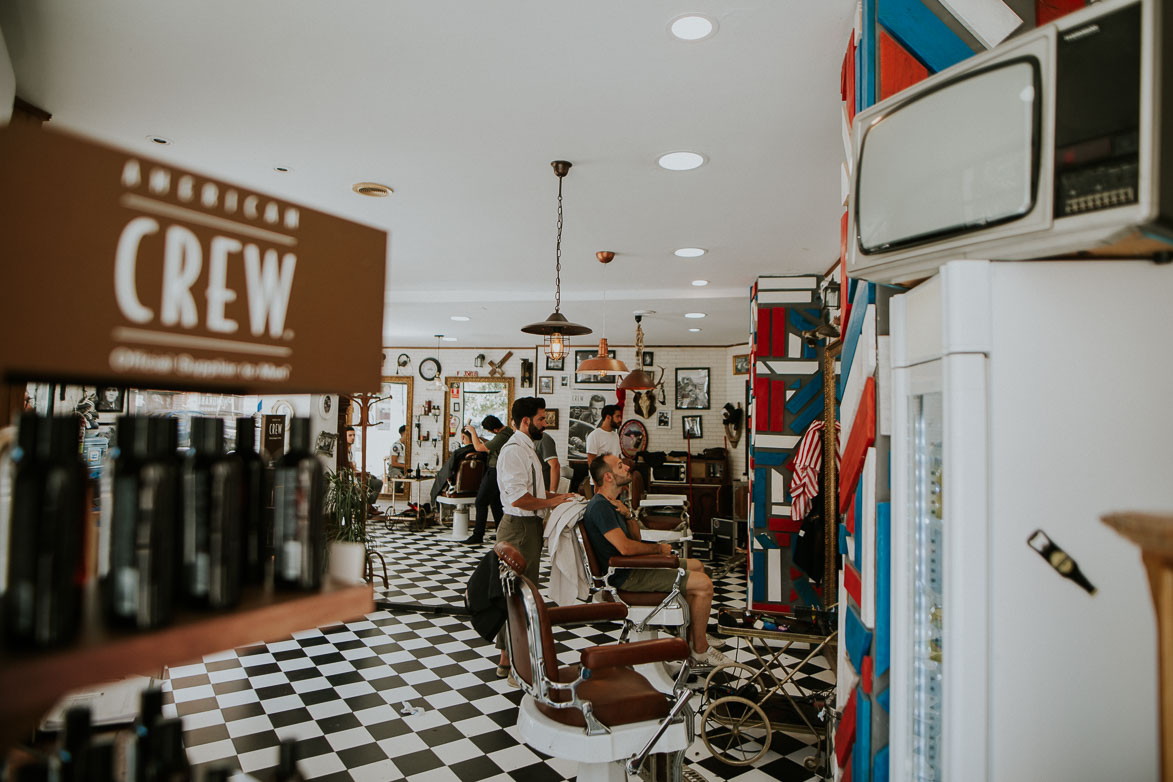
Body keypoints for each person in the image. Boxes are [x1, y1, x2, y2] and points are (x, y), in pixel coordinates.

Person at [583, 454, 729, 668]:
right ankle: (699, 649)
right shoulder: (600, 508)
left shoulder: (613, 503)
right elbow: (625, 548)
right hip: (626, 577)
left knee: (698, 566)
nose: (627, 468)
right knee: (704, 585)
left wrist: (628, 515)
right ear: (608, 477)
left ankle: (693, 636)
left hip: (630, 568)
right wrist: (659, 550)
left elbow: (636, 539)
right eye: (620, 466)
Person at [493, 396, 576, 678]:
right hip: (518, 528)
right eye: (541, 419)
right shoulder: (514, 450)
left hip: (529, 527)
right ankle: (509, 659)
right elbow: (518, 499)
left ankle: (512, 656)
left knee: (524, 593)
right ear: (526, 421)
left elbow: (534, 493)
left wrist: (559, 497)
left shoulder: (529, 448)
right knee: (517, 594)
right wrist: (551, 504)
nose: (545, 424)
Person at [462, 415, 511, 544]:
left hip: (494, 471)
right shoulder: (508, 432)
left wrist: (472, 432)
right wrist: (479, 438)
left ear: (494, 430)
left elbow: (479, 448)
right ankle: (502, 533)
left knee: (481, 501)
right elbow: (490, 445)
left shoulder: (502, 436)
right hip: (500, 471)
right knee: (495, 503)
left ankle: (478, 535)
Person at [345, 425, 384, 517]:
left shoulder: (349, 451)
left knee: (377, 482)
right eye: (350, 435)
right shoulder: (343, 452)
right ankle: (368, 506)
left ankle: (369, 505)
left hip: (354, 476)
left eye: (354, 435)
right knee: (372, 483)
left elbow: (353, 468)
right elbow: (348, 470)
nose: (353, 437)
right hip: (350, 479)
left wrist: (364, 473)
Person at [585, 404, 622, 484]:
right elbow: (591, 461)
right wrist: (596, 483)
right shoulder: (594, 435)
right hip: (600, 483)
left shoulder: (615, 435)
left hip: (614, 482)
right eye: (617, 416)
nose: (620, 419)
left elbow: (618, 458)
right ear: (608, 417)